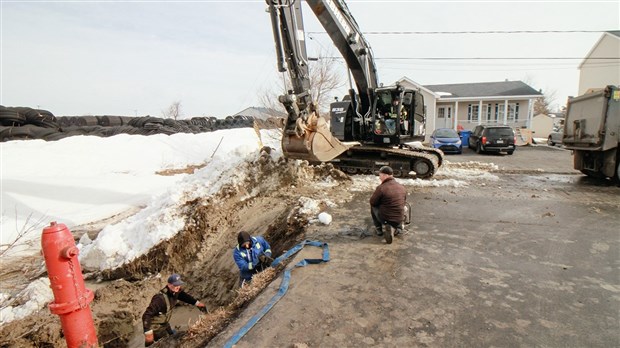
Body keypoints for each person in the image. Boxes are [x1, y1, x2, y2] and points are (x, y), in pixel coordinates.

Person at [142, 274, 207, 346]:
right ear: (169, 285)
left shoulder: (175, 292)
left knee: (174, 336)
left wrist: (197, 303)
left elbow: (185, 297)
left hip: (165, 324)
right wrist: (148, 332)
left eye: (179, 284)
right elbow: (146, 315)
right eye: (175, 285)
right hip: (155, 328)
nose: (178, 287)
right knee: (168, 344)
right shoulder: (159, 299)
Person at [369, 166, 407, 242]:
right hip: (399, 218)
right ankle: (398, 228)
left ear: (385, 175)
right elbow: (404, 201)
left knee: (373, 206)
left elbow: (373, 202)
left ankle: (379, 229)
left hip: (385, 218)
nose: (379, 178)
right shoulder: (402, 187)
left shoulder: (381, 188)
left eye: (380, 175)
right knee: (403, 206)